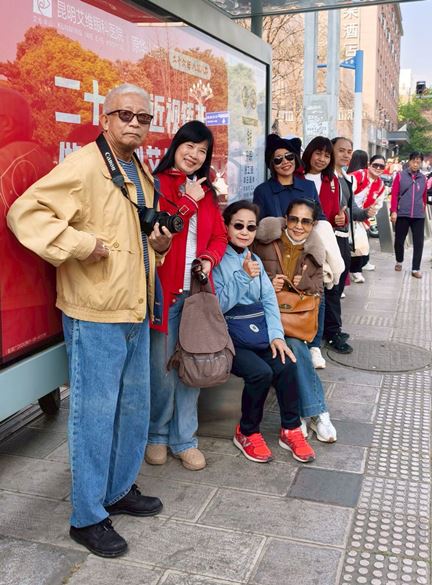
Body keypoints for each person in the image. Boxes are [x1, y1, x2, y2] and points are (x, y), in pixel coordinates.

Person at [7, 83, 171, 558]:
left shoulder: (139, 168)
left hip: (133, 307)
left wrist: (158, 247)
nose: (135, 123)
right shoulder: (84, 165)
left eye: (143, 117)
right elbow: (25, 214)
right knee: (94, 417)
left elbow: (136, 237)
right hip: (94, 312)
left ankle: (117, 490)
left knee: (132, 409)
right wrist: (81, 245)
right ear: (106, 118)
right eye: (125, 114)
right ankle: (86, 516)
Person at [145, 121, 227, 471]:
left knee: (193, 368)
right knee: (161, 370)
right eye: (189, 146)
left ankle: (184, 440)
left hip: (195, 296)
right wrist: (188, 201)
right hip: (163, 294)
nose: (194, 155)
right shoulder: (155, 185)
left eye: (202, 151)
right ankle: (157, 434)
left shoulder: (208, 191)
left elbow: (219, 237)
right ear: (176, 146)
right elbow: (160, 231)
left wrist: (208, 259)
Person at [213, 200, 316, 463]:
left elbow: (269, 301)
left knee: (287, 363)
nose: (245, 232)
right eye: (238, 226)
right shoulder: (216, 259)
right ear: (226, 226)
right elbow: (218, 305)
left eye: (251, 227)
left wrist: (277, 336)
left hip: (256, 331)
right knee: (260, 373)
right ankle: (247, 432)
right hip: (228, 337)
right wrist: (243, 277)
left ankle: (290, 429)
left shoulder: (255, 258)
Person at [253, 198, 337, 442]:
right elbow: (245, 277)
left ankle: (302, 414)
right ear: (285, 219)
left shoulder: (315, 253)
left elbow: (318, 293)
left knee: (294, 346)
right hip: (262, 317)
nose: (299, 226)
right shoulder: (264, 242)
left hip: (291, 322)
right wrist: (268, 283)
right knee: (296, 348)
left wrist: (304, 284)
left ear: (313, 224)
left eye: (306, 221)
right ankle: (314, 413)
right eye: (294, 219)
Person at [324, 137, 377, 354]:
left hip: (344, 238)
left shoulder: (345, 179)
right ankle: (331, 332)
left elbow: (350, 208)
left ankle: (332, 329)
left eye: (349, 151)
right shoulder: (324, 178)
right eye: (341, 150)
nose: (346, 155)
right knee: (330, 286)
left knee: (337, 287)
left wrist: (365, 213)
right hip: (328, 239)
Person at [301, 136, 343, 368]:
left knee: (321, 289)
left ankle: (317, 342)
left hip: (321, 241)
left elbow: (334, 213)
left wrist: (340, 218)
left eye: (327, 155)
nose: (322, 159)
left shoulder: (331, 180)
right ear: (309, 153)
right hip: (298, 238)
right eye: (318, 153)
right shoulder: (297, 176)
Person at [253, 134, 321, 219]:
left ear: (295, 158)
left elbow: (320, 218)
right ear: (272, 164)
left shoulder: (309, 187)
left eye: (289, 156)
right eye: (278, 159)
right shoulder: (262, 191)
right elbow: (258, 223)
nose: (285, 162)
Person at [348, 155, 386, 282]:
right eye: (375, 165)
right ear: (369, 165)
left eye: (381, 166)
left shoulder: (380, 185)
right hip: (346, 214)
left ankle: (356, 271)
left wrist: (370, 213)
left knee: (361, 246)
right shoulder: (358, 175)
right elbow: (347, 193)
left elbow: (378, 204)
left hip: (361, 219)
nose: (378, 168)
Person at [390, 151, 427, 278]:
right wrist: (394, 211)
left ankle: (415, 268)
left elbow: (424, 196)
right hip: (403, 214)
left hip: (418, 216)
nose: (416, 164)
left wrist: (422, 208)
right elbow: (394, 195)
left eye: (418, 162)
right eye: (414, 161)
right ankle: (399, 261)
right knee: (399, 240)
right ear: (409, 161)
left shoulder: (423, 178)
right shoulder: (400, 176)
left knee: (419, 242)